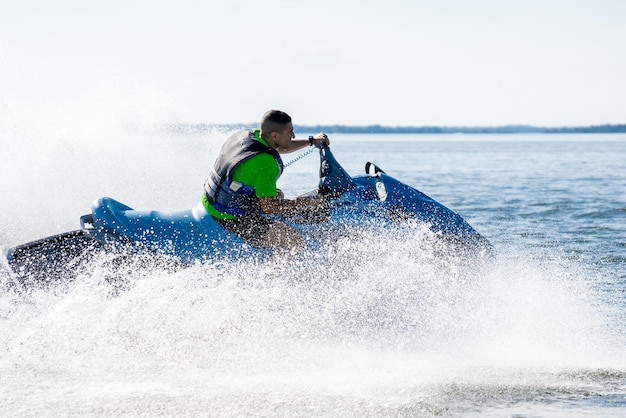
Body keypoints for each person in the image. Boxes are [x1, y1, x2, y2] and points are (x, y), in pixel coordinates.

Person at [203, 110, 330, 252]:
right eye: (290, 132)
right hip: (229, 216)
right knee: (294, 241)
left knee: (277, 194)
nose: (293, 135)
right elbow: (269, 208)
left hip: (212, 198)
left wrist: (312, 141)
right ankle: (270, 274)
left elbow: (278, 147)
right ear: (274, 135)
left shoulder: (251, 135)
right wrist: (308, 202)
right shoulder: (265, 164)